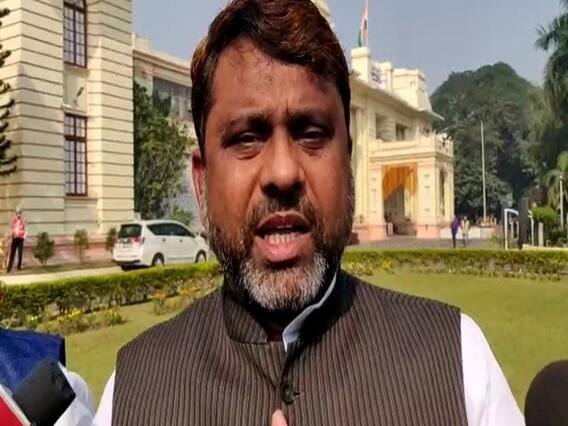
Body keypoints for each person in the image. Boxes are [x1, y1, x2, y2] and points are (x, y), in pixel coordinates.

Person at [95, 1, 523, 425]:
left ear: (347, 161)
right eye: (246, 138)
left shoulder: (455, 362)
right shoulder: (133, 393)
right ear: (202, 180)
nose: (283, 173)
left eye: (312, 133)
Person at [6, 208, 26, 273]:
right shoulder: (13, 220)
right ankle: (9, 268)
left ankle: (19, 266)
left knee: (20, 253)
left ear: (21, 214)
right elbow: (11, 228)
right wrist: (10, 235)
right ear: (16, 214)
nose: (18, 214)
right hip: (14, 238)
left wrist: (24, 237)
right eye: (17, 213)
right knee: (12, 253)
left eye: (19, 213)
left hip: (20, 239)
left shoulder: (23, 220)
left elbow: (25, 229)